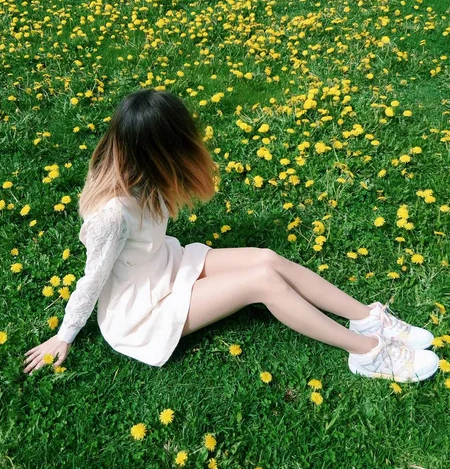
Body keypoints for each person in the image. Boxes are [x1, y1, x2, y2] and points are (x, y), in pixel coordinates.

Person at [23, 88, 439, 382]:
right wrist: (64, 335)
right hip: (143, 313)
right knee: (262, 283)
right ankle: (366, 353)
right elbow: (92, 277)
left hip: (166, 267)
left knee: (267, 259)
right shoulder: (111, 213)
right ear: (160, 150)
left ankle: (367, 319)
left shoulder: (139, 169)